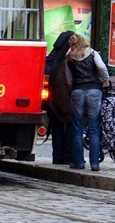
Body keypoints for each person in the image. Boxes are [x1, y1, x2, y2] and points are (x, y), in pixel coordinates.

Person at [67, 33, 109, 171]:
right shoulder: (92, 53)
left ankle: (79, 162)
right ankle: (95, 163)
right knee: (94, 128)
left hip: (78, 91)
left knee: (77, 128)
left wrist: (73, 86)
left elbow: (68, 78)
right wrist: (105, 80)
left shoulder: (70, 57)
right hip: (94, 91)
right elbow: (101, 67)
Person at [44, 30, 75, 165]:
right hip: (64, 99)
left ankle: (57, 157)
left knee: (56, 128)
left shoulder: (51, 58)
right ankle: (67, 157)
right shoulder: (65, 61)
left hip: (51, 101)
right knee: (69, 126)